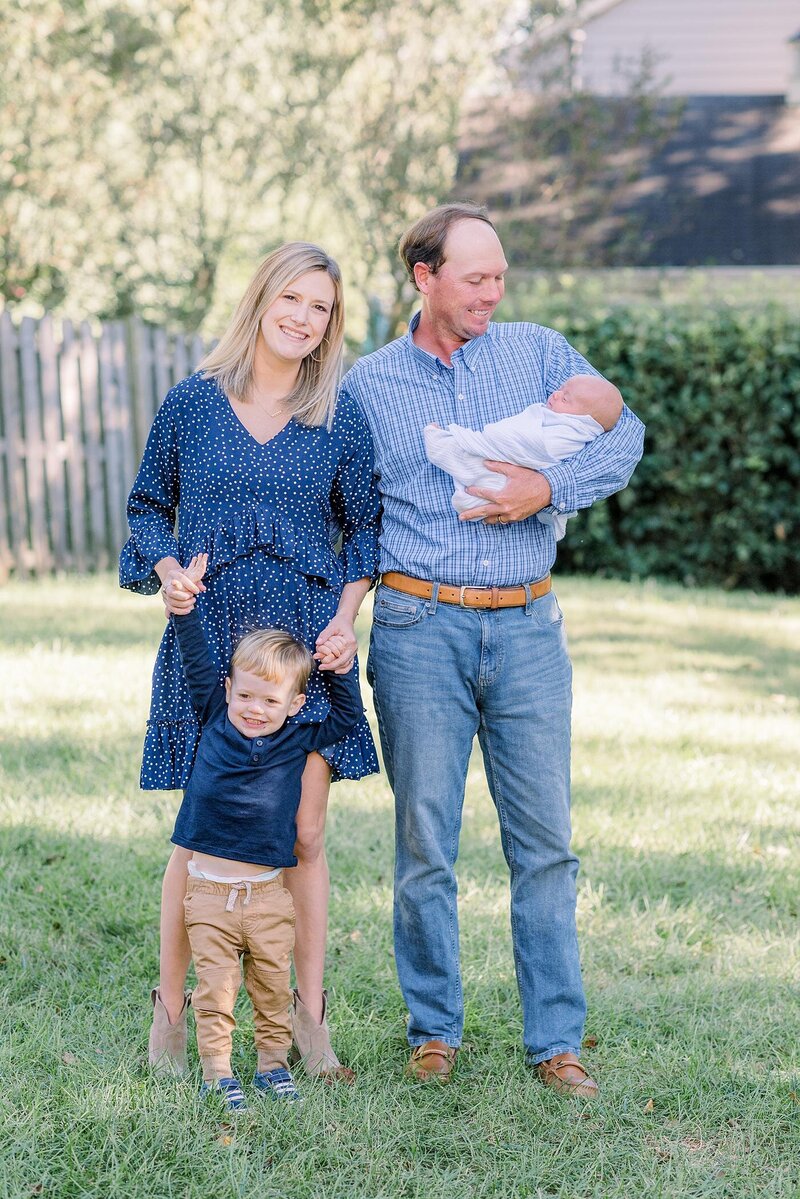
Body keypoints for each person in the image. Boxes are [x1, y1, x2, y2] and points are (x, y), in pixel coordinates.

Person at [341, 202, 645, 1096]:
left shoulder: (540, 351)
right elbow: (346, 512)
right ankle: (434, 1030)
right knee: (425, 841)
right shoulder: (369, 384)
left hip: (528, 629)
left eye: (500, 276)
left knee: (545, 844)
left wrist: (545, 485)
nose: (492, 292)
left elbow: (623, 434)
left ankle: (557, 1039)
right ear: (424, 278)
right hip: (416, 627)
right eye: (475, 277)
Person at [119, 242, 380, 1082]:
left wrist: (345, 622)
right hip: (210, 641)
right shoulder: (193, 403)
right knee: (196, 837)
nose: (306, 318)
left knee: (304, 832)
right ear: (263, 297)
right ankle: (169, 1012)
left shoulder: (339, 413)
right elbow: (147, 504)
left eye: (323, 309)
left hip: (301, 651)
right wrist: (167, 573)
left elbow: (366, 530)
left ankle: (309, 1017)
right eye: (294, 299)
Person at [166, 554, 366, 1110]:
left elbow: (346, 723)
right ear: (228, 688)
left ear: (295, 705)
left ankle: (274, 1066)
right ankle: (217, 1072)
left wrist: (341, 674)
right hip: (207, 891)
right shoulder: (213, 712)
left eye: (270, 701)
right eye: (246, 695)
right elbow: (194, 658)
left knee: (273, 986)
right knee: (216, 988)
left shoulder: (297, 738)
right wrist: (185, 609)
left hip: (269, 894)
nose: (254, 710)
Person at [424, 373, 623, 539]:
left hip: (502, 479)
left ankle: (442, 445)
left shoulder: (569, 434)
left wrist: (546, 487)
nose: (555, 394)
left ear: (585, 420)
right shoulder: (562, 418)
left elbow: (523, 444)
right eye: (560, 389)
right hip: (501, 477)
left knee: (474, 460)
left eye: (565, 398)